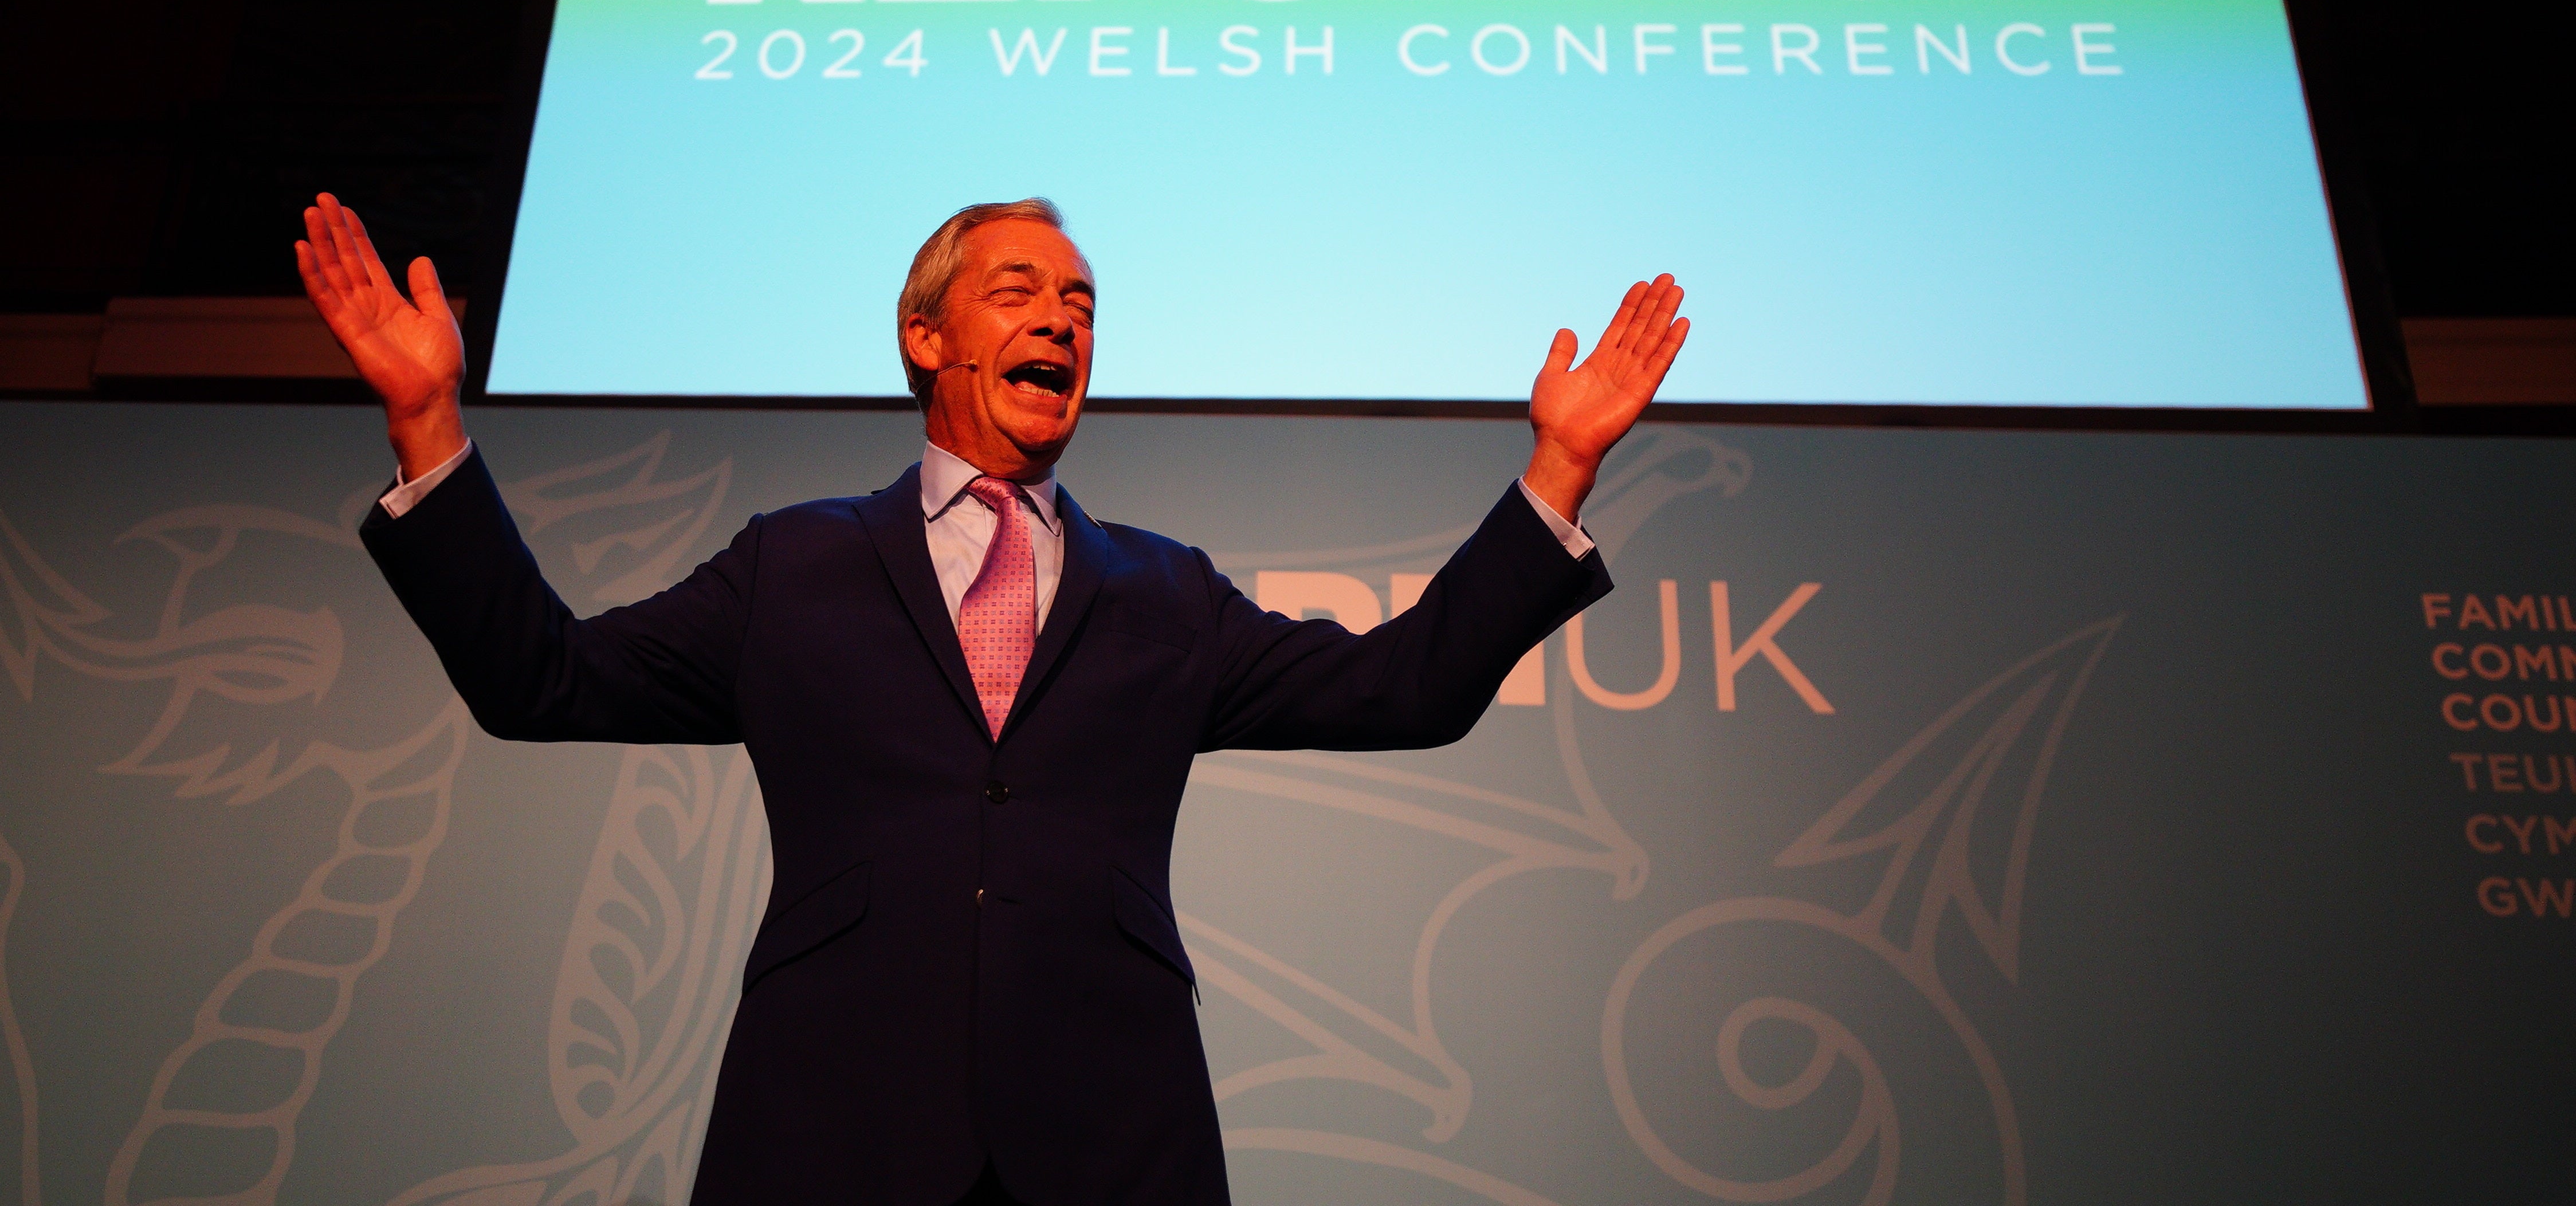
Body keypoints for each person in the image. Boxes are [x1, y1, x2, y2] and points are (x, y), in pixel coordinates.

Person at [296, 191, 1687, 1206]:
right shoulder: (796, 564)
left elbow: (1410, 688)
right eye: (1021, 290)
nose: (1063, 321)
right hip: (829, 1131)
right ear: (924, 337)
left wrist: (1557, 469)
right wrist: (429, 424)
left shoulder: (1166, 592)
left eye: (1083, 305)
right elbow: (540, 679)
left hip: (1111, 1137)